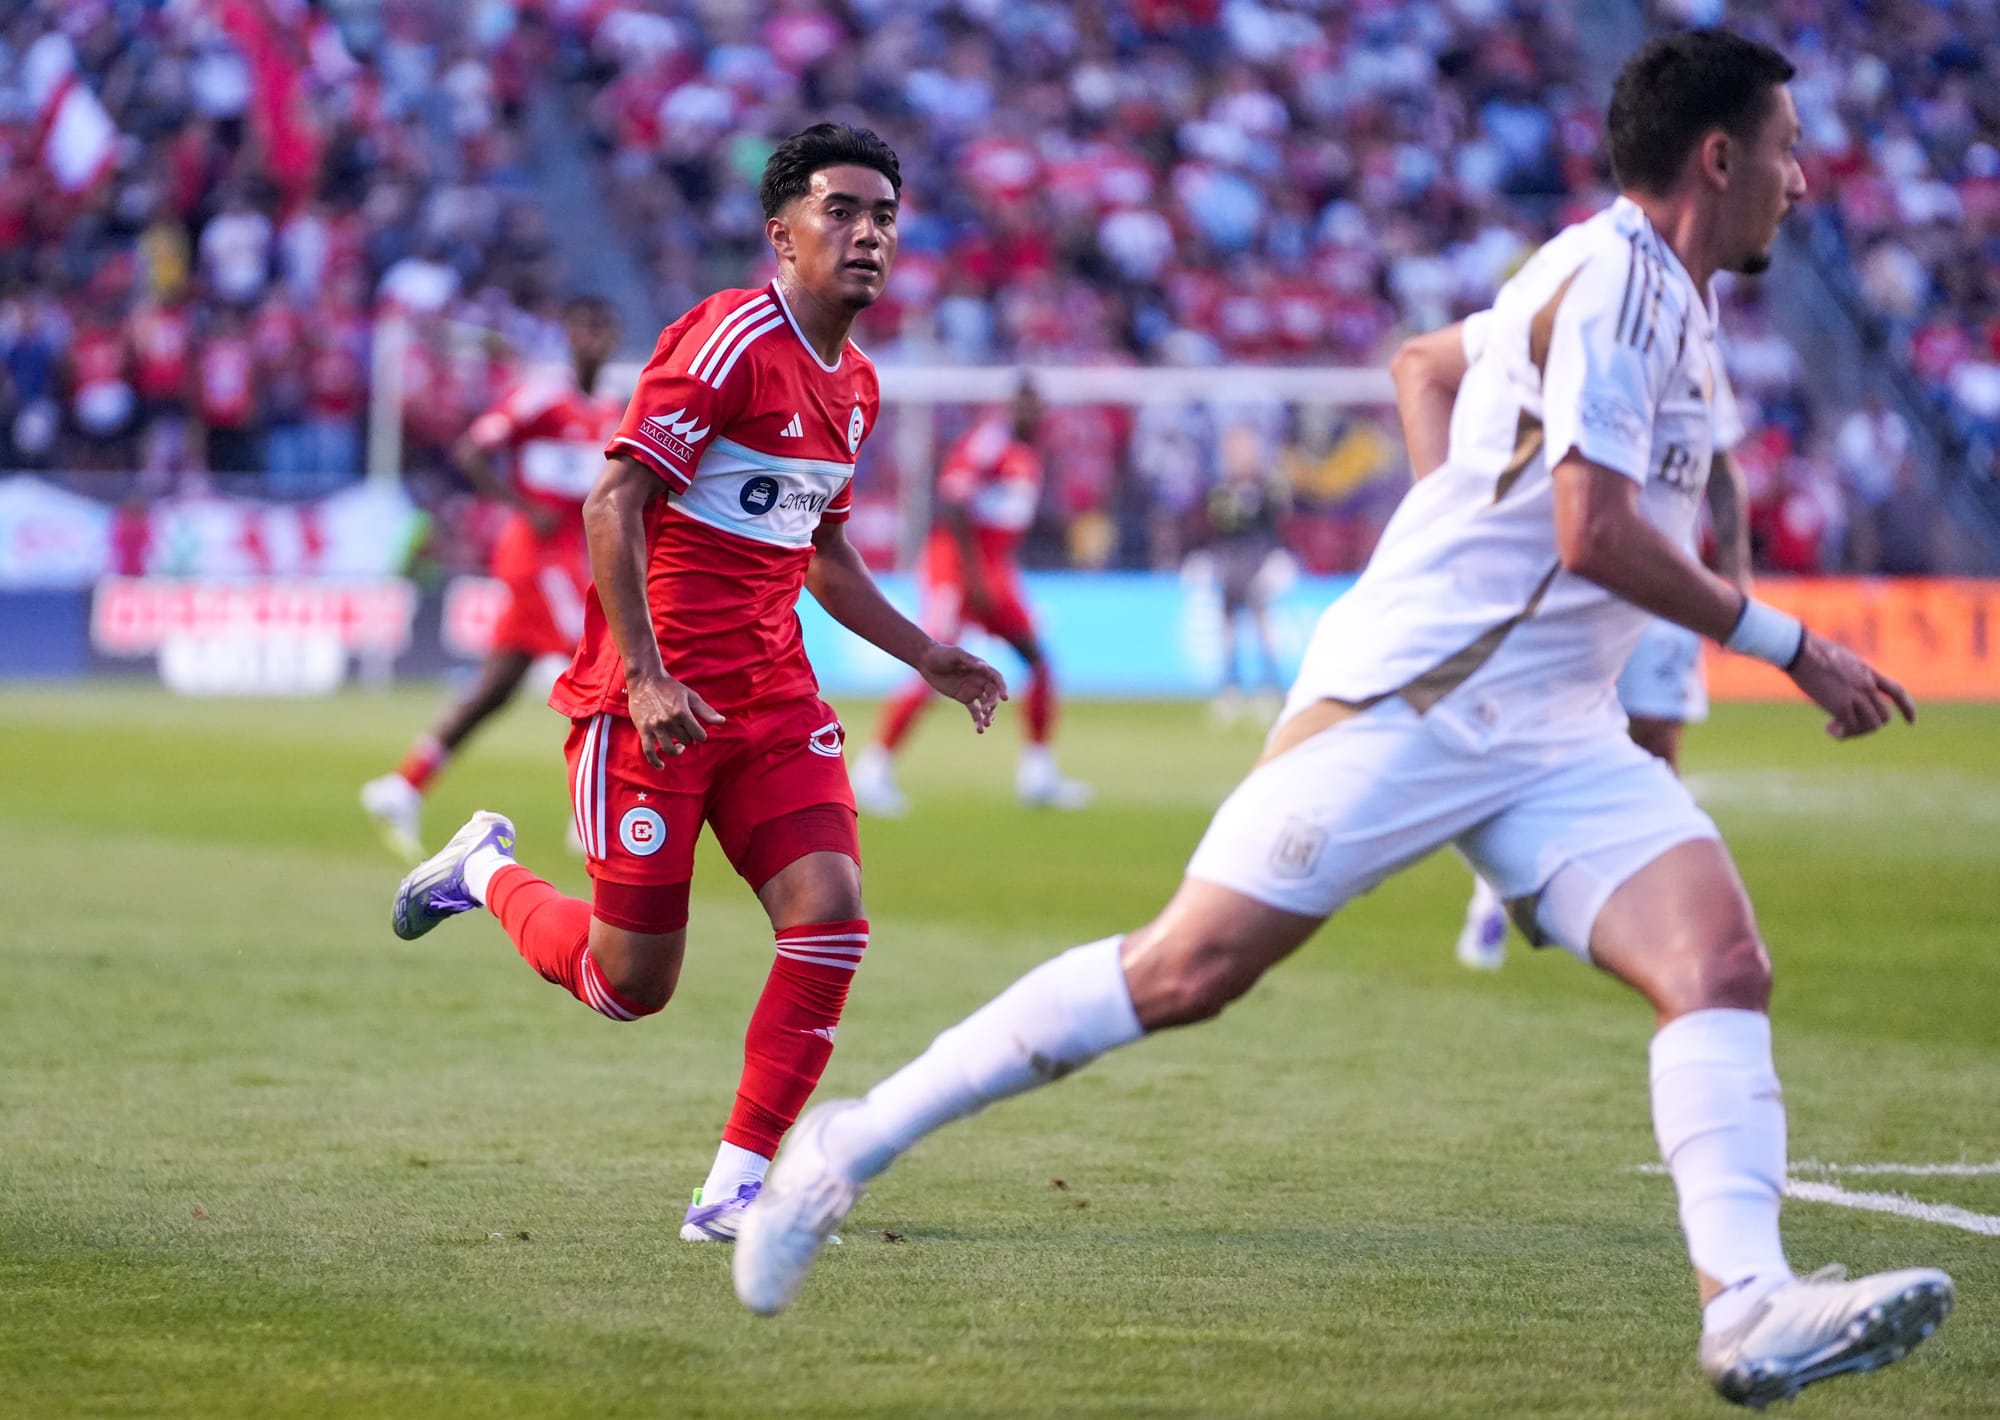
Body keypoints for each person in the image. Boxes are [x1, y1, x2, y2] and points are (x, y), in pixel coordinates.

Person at [731, 34, 1955, 1409]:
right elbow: (1593, 528)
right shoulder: (1608, 277)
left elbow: (1427, 365)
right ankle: (846, 1148)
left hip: (1552, 730)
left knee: (1720, 965)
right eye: (1788, 150)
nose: (1804, 180)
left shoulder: (1664, 298)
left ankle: (1748, 1306)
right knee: (1183, 974)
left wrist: (1457, 518)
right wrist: (1790, 646)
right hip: (1412, 700)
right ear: (1720, 158)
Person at [388, 125, 1006, 1244]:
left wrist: (924, 650)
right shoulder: (726, 341)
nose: (868, 233)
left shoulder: (854, 387)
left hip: (772, 704)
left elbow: (821, 552)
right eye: (841, 211)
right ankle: (482, 870)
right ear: (781, 233)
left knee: (829, 914)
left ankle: (731, 1187)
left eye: (883, 216)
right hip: (650, 708)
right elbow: (610, 503)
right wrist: (649, 675)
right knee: (630, 984)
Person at [1392, 309, 1752, 968]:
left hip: (1664, 575)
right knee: (1522, 727)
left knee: (1657, 736)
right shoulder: (1576, 335)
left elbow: (1723, 469)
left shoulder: (1697, 354)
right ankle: (1496, 883)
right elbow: (1427, 370)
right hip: (1568, 575)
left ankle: (1638, 894)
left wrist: (1735, 576)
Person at [361, 296, 624, 861]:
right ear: (569, 332)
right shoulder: (542, 396)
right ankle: (590, 816)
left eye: (603, 330)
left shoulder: (606, 408)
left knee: (498, 685)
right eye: (585, 326)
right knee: (600, 664)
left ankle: (403, 785)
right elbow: (472, 451)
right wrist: (523, 507)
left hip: (570, 555)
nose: (594, 340)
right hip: (536, 553)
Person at [852, 378, 1090, 814]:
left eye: (1036, 408)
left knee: (1037, 660)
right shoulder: (989, 443)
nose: (1031, 415)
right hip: (957, 569)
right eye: (1023, 406)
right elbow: (954, 503)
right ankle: (873, 768)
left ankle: (1037, 773)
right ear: (1011, 408)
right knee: (932, 660)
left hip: (995, 571)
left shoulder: (1026, 457)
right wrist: (974, 576)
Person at [1196, 421, 1293, 724]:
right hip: (1229, 559)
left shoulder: (1267, 487)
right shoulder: (1221, 490)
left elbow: (1277, 523)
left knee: (1261, 618)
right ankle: (1230, 685)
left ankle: (1269, 684)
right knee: (1228, 623)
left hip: (1259, 556)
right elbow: (1218, 525)